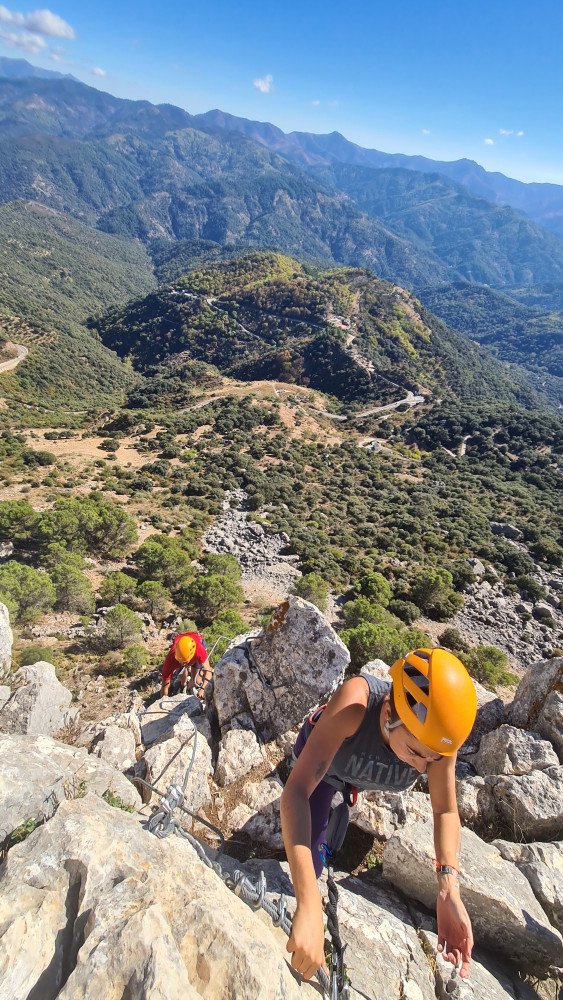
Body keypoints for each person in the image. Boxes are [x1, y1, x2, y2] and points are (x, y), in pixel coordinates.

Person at [280, 647, 477, 983]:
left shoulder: (436, 738)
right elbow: (296, 793)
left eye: (432, 759)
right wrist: (309, 905)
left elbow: (445, 809)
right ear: (388, 713)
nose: (422, 768)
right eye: (415, 752)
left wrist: (448, 888)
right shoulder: (355, 705)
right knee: (309, 869)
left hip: (353, 771)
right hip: (323, 760)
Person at [160, 632, 212, 701]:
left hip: (196, 642)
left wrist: (203, 688)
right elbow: (165, 685)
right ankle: (183, 685)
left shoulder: (199, 651)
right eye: (181, 662)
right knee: (182, 675)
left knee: (196, 681)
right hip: (182, 648)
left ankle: (189, 688)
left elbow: (208, 672)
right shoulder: (171, 659)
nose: (183, 664)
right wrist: (162, 701)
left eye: (185, 662)